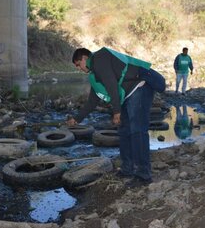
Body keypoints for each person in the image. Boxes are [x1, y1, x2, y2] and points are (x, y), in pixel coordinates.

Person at [65, 47, 165, 187]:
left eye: (78, 64)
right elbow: (92, 101)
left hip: (140, 86)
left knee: (137, 131)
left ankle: (143, 175)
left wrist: (116, 111)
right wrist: (77, 118)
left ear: (84, 58)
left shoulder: (99, 59)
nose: (78, 68)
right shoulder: (95, 74)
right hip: (127, 94)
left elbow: (111, 84)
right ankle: (127, 169)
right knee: (124, 131)